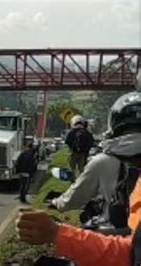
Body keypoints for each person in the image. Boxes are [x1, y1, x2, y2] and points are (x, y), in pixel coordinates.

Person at [17, 87, 141, 266]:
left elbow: (75, 196)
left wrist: (56, 217)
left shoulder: (102, 162)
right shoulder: (91, 140)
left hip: (118, 239)